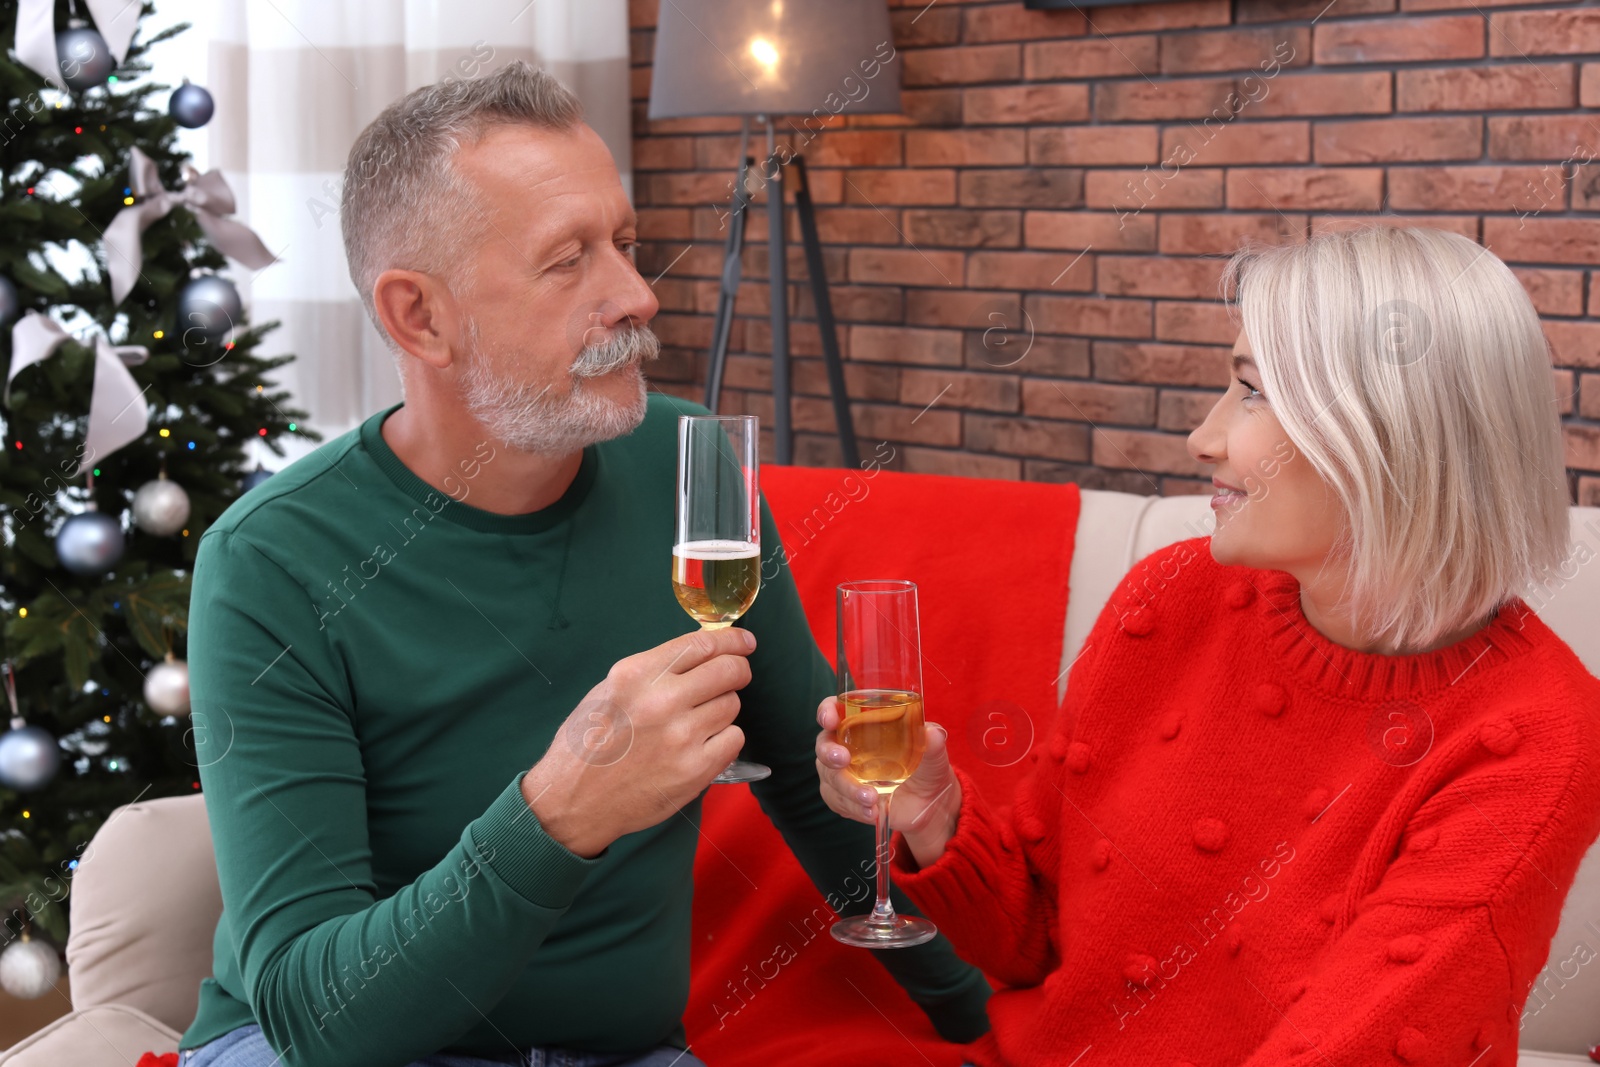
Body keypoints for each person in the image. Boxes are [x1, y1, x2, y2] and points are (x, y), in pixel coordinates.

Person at [177, 61, 991, 1067]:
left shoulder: (689, 469)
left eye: (626, 243)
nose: (636, 296)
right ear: (417, 316)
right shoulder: (273, 560)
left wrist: (982, 1019)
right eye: (568, 260)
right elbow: (319, 1021)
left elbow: (814, 788)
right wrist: (559, 814)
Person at [815, 226, 1600, 1066]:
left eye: (1251, 392)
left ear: (1386, 438)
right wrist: (932, 812)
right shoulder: (1172, 595)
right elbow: (1033, 942)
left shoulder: (1535, 731)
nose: (1205, 437)